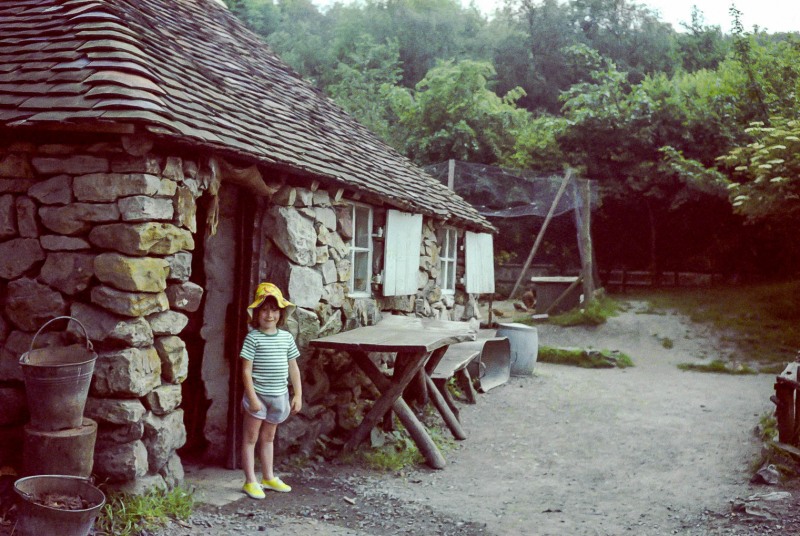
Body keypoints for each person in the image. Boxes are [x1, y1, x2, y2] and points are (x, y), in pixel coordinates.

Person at [240, 282, 302, 500]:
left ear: (281, 313)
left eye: (274, 309)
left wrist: (298, 395)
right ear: (257, 313)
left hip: (279, 397)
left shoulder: (286, 338)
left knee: (268, 438)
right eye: (264, 309)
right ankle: (250, 481)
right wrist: (253, 398)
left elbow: (293, 367)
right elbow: (246, 371)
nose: (269, 314)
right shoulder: (253, 338)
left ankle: (268, 476)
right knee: (250, 438)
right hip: (258, 397)